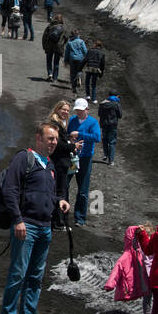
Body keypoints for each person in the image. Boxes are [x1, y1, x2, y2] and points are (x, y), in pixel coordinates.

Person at [0, 121, 72, 314]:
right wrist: (18, 220)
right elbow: (9, 190)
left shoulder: (48, 165)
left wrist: (59, 201)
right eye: (50, 139)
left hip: (44, 227)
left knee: (35, 276)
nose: (53, 143)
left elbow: (50, 193)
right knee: (18, 274)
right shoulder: (24, 158)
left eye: (56, 140)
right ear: (38, 138)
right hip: (26, 226)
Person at [67, 98, 101, 226]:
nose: (78, 113)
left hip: (85, 158)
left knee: (83, 189)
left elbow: (97, 137)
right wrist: (72, 138)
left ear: (87, 109)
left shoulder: (93, 122)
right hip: (72, 156)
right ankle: (62, 215)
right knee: (65, 185)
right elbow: (67, 134)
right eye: (77, 110)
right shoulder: (72, 120)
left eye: (81, 110)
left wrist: (80, 134)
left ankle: (80, 217)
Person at [46, 100, 77, 229]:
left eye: (67, 110)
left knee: (61, 189)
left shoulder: (59, 124)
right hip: (59, 162)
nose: (65, 112)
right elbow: (58, 145)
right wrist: (72, 146)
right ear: (57, 109)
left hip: (60, 161)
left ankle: (59, 220)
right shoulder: (55, 125)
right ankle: (58, 221)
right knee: (60, 190)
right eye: (63, 109)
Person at [98, 93, 122, 165]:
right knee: (112, 142)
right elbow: (120, 115)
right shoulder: (116, 104)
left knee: (105, 140)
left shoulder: (102, 104)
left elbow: (99, 114)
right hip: (113, 125)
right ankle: (111, 160)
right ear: (116, 96)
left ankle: (106, 154)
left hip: (104, 125)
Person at [41, 16, 66, 83]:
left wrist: (44, 46)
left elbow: (44, 36)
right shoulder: (63, 28)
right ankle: (55, 78)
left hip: (49, 46)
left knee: (49, 60)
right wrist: (63, 47)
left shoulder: (50, 26)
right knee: (56, 63)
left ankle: (50, 74)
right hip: (58, 47)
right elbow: (65, 38)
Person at [64, 30, 87, 95]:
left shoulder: (70, 42)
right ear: (78, 35)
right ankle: (79, 77)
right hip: (80, 58)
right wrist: (86, 59)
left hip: (72, 58)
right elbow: (85, 50)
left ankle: (73, 86)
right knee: (79, 70)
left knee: (72, 72)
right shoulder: (81, 41)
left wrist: (66, 60)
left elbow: (67, 52)